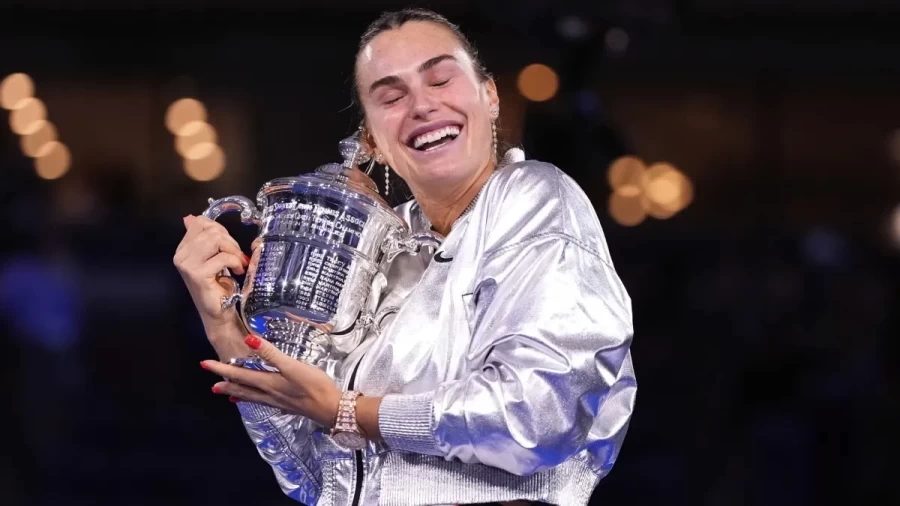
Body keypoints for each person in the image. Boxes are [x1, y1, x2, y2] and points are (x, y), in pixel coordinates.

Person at [175, 8, 636, 506]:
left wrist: (350, 411)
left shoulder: (534, 196)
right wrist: (226, 327)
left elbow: (539, 415)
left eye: (441, 80)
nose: (421, 105)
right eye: (392, 97)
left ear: (490, 96)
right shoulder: (380, 247)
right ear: (372, 140)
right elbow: (316, 480)